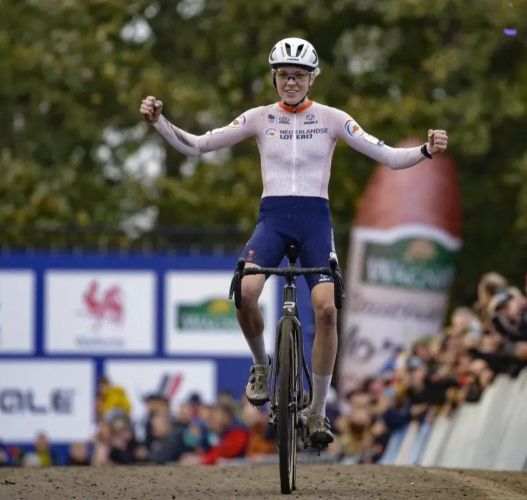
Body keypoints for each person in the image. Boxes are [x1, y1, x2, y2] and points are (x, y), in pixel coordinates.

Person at [140, 37, 449, 446]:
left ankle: (318, 411)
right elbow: (197, 146)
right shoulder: (258, 117)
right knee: (245, 293)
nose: (290, 82)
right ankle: (262, 367)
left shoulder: (333, 119)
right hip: (272, 221)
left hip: (314, 225)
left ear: (312, 78)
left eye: (299, 75)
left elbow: (389, 156)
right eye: (284, 75)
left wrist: (426, 150)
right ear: (274, 77)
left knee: (326, 312)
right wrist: (160, 122)